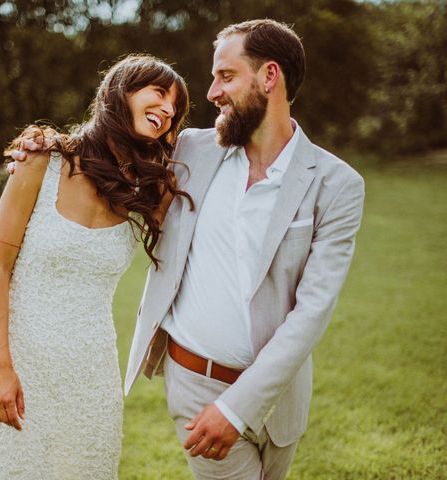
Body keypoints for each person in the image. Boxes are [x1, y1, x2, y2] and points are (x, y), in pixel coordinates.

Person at [122, 20, 365, 480]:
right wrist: (49, 147)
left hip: (281, 400)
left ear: (269, 76)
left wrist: (239, 409)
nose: (211, 91)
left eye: (226, 76)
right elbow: (110, 145)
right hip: (196, 386)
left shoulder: (338, 185)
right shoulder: (190, 150)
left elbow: (312, 311)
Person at [0, 54, 191, 480]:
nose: (168, 110)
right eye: (159, 93)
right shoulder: (43, 160)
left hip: (93, 376)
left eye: (175, 107)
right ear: (121, 93)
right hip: (23, 368)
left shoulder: (146, 190)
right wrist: (1, 367)